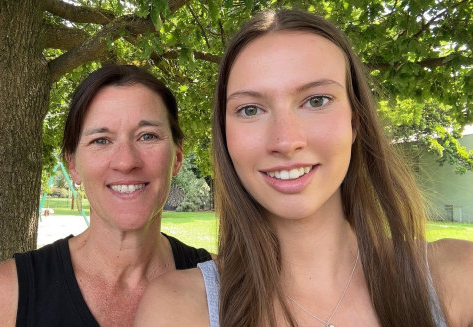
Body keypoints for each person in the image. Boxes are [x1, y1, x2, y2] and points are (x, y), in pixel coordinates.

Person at [134, 9, 473, 327]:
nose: (285, 141)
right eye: (251, 109)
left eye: (316, 101)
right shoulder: (177, 308)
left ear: (355, 121)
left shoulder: (457, 278)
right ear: (225, 135)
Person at [0, 65, 211, 327]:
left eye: (147, 136)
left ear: (177, 157)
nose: (126, 162)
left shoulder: (227, 287)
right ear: (72, 165)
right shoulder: (3, 297)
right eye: (101, 140)